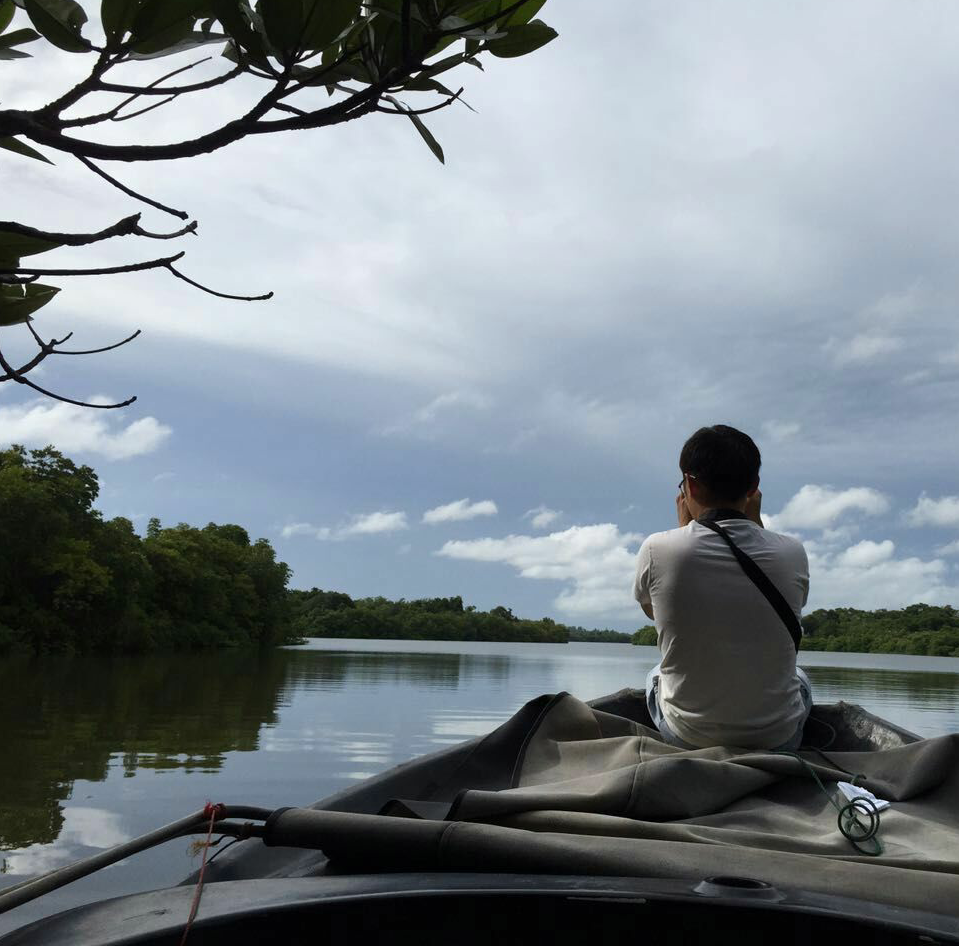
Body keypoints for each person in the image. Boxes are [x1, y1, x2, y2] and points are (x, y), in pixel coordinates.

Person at [633, 424, 812, 751]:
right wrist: (756, 524)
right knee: (799, 677)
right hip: (780, 739)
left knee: (655, 674)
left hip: (688, 736)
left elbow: (656, 612)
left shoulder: (658, 549)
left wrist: (686, 529)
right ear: (754, 486)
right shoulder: (793, 552)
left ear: (689, 484)